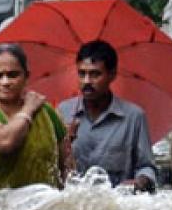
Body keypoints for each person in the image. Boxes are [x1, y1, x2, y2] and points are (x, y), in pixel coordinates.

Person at [0, 43, 69, 193]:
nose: (5, 82)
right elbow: (5, 142)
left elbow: (66, 165)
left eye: (13, 75)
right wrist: (28, 109)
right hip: (0, 209)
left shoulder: (45, 111)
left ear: (26, 77)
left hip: (46, 207)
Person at [57, 40, 156, 192]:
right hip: (75, 202)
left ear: (112, 75)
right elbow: (52, 165)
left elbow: (146, 167)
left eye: (95, 74)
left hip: (117, 203)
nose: (87, 81)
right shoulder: (64, 112)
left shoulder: (133, 117)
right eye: (82, 73)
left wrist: (139, 182)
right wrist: (66, 143)